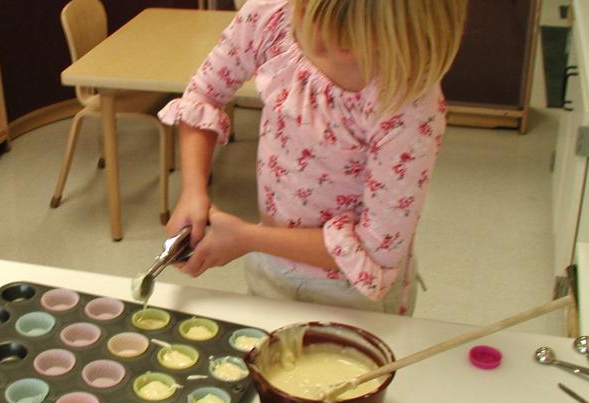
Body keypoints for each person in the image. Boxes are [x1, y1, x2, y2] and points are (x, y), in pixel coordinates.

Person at [158, 0, 468, 315]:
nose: (313, 40)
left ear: (402, 33)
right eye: (305, 13)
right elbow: (204, 94)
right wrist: (193, 189)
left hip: (351, 292)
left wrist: (247, 239)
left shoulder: (408, 107)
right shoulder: (272, 15)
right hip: (270, 263)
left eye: (346, 42)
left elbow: (377, 249)